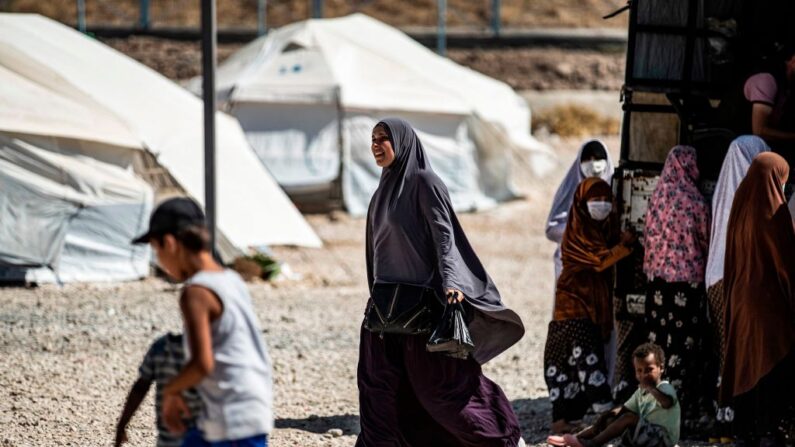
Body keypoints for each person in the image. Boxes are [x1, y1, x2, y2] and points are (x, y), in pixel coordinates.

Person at [357, 118, 526, 447]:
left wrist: (453, 282)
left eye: (383, 139)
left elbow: (444, 237)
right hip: (384, 309)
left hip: (420, 309)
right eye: (373, 139)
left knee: (440, 389)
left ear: (403, 143)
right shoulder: (382, 190)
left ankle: (501, 436)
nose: (376, 145)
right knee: (378, 390)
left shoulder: (425, 182)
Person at [132, 198, 273, 447]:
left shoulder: (196, 292)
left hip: (231, 421)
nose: (159, 260)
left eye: (157, 250)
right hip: (249, 409)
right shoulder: (231, 279)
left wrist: (171, 391)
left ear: (170, 243)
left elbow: (202, 363)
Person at [544, 177, 635, 434]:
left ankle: (563, 420)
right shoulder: (578, 231)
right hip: (573, 306)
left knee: (566, 364)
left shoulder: (603, 230)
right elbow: (598, 261)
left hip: (582, 309)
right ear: (582, 203)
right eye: (595, 200)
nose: (602, 205)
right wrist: (624, 246)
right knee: (587, 361)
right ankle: (606, 415)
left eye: (607, 200)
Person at [720, 152, 795, 446]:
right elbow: (786, 264)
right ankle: (769, 430)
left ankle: (745, 430)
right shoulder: (771, 211)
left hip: (740, 300)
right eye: (782, 180)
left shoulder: (740, 206)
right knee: (770, 361)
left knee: (746, 362)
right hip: (767, 304)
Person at [641, 146, 711, 431]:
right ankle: (682, 410)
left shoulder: (656, 197)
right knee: (685, 346)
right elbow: (705, 239)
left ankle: (653, 405)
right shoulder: (695, 201)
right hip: (686, 284)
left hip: (657, 284)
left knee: (659, 344)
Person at [704, 135, 770, 438]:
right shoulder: (755, 194)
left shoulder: (724, 190)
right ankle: (739, 421)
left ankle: (724, 420)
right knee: (743, 353)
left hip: (714, 279)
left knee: (726, 352)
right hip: (737, 279)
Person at [550, 343, 680, 447]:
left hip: (663, 439)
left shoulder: (664, 387)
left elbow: (667, 403)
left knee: (629, 418)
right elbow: (624, 409)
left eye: (649, 370)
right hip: (648, 435)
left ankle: (594, 443)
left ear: (661, 368)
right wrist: (606, 416)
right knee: (612, 418)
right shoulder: (641, 392)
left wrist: (651, 389)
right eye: (639, 371)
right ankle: (578, 439)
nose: (643, 375)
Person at [115, 332, 203, 447]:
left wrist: (122, 424)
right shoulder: (213, 352)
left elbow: (140, 388)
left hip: (168, 440)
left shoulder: (161, 348)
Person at [546, 140, 615, 282]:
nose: (593, 163)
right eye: (588, 159)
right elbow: (551, 229)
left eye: (597, 158)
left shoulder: (616, 189)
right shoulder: (570, 188)